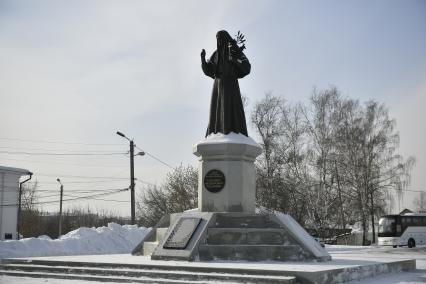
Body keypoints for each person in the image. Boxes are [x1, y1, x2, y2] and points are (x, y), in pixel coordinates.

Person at [201, 30, 251, 137]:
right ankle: (215, 133)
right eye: (217, 38)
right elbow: (210, 71)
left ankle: (233, 132)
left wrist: (235, 60)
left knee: (231, 110)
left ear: (226, 38)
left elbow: (247, 67)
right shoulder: (216, 54)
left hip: (231, 85)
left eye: (220, 38)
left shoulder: (234, 50)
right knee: (216, 111)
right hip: (218, 86)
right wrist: (203, 60)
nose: (219, 40)